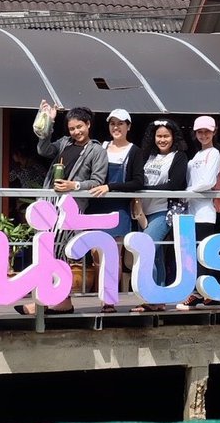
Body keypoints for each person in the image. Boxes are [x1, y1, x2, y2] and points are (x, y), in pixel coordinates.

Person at [15, 101, 107, 316]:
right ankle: (59, 301)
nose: (76, 132)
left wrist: (74, 186)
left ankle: (49, 301)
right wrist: (49, 121)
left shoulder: (96, 151)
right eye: (72, 128)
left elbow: (98, 181)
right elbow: (43, 149)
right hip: (50, 204)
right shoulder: (65, 142)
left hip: (70, 208)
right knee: (47, 250)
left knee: (57, 252)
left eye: (79, 127)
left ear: (88, 124)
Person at [128, 119, 188, 313]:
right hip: (142, 211)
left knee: (147, 247)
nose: (162, 140)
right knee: (156, 255)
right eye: (159, 136)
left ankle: (152, 297)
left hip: (163, 210)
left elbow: (175, 184)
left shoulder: (179, 157)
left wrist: (144, 188)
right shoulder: (147, 155)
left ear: (173, 137)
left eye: (166, 136)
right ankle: (157, 299)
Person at [88, 109, 144, 313]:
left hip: (119, 210)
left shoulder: (134, 151)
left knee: (114, 256)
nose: (116, 127)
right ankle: (100, 294)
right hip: (96, 207)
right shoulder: (99, 147)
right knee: (97, 257)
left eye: (121, 123)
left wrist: (110, 187)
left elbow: (138, 182)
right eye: (112, 123)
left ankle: (109, 301)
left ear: (128, 126)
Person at [177, 115, 220, 310]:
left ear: (214, 132)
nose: (203, 135)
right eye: (200, 132)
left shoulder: (214, 153)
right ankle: (205, 294)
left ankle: (204, 294)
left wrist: (187, 192)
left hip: (205, 211)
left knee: (204, 254)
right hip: (192, 210)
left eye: (207, 131)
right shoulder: (196, 155)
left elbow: (208, 181)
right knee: (194, 253)